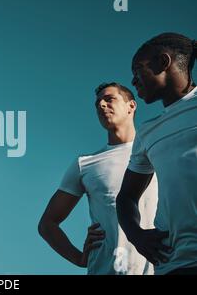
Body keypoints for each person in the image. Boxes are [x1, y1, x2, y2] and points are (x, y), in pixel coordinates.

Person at [38, 82, 158, 274]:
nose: (101, 105)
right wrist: (78, 258)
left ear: (131, 106)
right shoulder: (85, 163)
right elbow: (47, 224)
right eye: (98, 103)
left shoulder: (158, 150)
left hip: (167, 267)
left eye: (109, 99)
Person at [116, 32, 197, 275]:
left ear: (163, 62)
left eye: (137, 70)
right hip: (174, 263)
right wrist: (136, 236)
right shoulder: (148, 131)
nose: (133, 81)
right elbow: (126, 197)